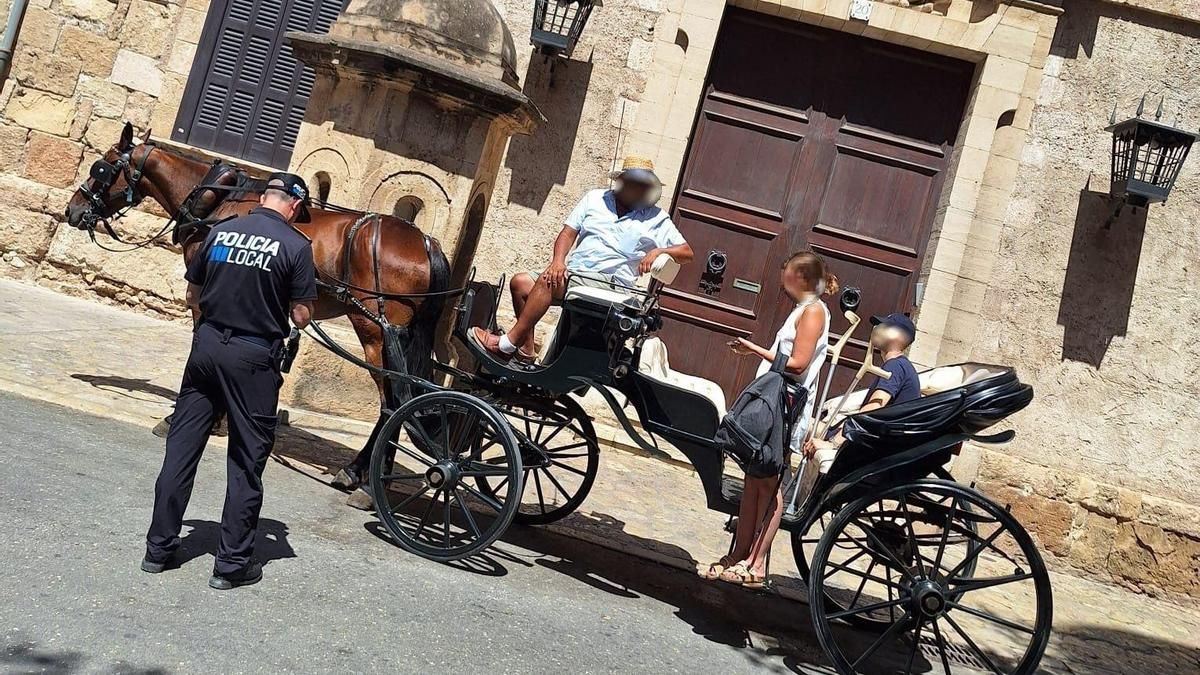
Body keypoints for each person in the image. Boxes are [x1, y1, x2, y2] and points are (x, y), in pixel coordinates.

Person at [142, 173, 317, 590]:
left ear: (264, 198)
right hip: (253, 357)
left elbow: (192, 296)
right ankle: (230, 565)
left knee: (181, 449)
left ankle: (158, 549)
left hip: (205, 347)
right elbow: (301, 316)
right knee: (245, 460)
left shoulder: (221, 231)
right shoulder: (296, 246)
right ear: (292, 205)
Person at [701, 251, 836, 589]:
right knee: (752, 480)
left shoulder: (813, 312)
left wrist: (755, 349)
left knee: (770, 484)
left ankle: (757, 563)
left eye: (787, 273)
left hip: (785, 406)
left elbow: (798, 363)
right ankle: (738, 553)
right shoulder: (803, 310)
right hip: (774, 403)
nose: (782, 278)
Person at [471, 156, 694, 360]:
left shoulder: (655, 217)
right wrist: (558, 261)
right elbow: (568, 233)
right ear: (623, 182)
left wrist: (658, 252)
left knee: (547, 282)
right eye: (638, 184)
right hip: (577, 275)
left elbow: (686, 252)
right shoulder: (595, 198)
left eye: (646, 185)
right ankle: (526, 350)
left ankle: (506, 344)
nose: (642, 190)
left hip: (611, 284)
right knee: (520, 283)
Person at [803, 311, 920, 455]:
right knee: (800, 423)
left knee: (797, 425)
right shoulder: (900, 366)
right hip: (867, 438)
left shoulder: (896, 366)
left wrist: (833, 443)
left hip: (871, 447)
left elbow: (875, 407)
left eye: (884, 326)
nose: (877, 329)